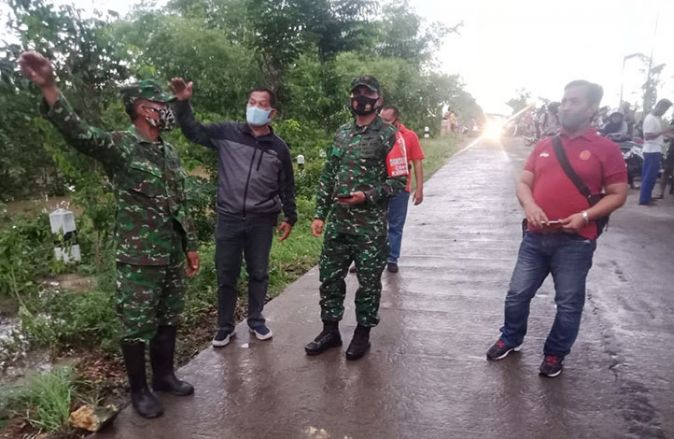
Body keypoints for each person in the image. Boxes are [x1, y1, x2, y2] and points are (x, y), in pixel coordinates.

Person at [19, 51, 200, 419]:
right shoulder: (120, 145)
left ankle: (164, 376)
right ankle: (140, 390)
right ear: (141, 108)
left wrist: (190, 245)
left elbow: (180, 203)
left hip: (169, 254)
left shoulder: (170, 152)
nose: (167, 111)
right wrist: (51, 87)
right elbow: (80, 134)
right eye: (161, 105)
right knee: (136, 325)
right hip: (138, 258)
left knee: (169, 316)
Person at [486, 80, 628, 378]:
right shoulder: (545, 145)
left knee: (568, 303)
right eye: (564, 101)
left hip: (576, 241)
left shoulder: (606, 149)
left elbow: (618, 194)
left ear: (592, 109)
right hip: (535, 237)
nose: (565, 106)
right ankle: (511, 337)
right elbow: (524, 183)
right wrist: (531, 207)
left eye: (574, 101)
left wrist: (585, 215)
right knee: (516, 294)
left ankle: (554, 354)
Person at [169, 78, 297, 347]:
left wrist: (290, 216)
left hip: (262, 220)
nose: (255, 108)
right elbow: (193, 131)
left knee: (258, 272)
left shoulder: (279, 148)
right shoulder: (227, 133)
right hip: (228, 218)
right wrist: (183, 102)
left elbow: (287, 184)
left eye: (262, 105)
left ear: (272, 113)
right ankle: (225, 326)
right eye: (252, 103)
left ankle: (256, 320)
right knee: (226, 273)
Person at [305, 76, 408, 360]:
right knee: (330, 278)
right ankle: (330, 331)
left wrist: (368, 195)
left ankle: (362, 334)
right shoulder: (341, 133)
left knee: (369, 282)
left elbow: (399, 181)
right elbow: (328, 175)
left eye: (367, 93)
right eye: (356, 93)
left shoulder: (390, 136)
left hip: (370, 227)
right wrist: (319, 214)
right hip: (338, 222)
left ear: (378, 100)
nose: (361, 98)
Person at [379, 105, 425, 273]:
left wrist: (419, 188)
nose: (382, 123)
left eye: (387, 120)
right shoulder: (375, 135)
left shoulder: (409, 136)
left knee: (395, 225)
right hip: (377, 189)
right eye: (381, 119)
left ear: (396, 119)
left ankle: (392, 258)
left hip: (400, 189)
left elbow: (418, 162)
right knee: (374, 224)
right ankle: (368, 258)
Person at [639, 99, 673, 205]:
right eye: (664, 109)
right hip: (651, 150)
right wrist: (664, 131)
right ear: (659, 106)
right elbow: (648, 136)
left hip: (655, 149)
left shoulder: (655, 118)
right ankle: (644, 199)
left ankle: (647, 197)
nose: (664, 112)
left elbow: (656, 135)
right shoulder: (650, 119)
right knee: (649, 176)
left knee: (652, 176)